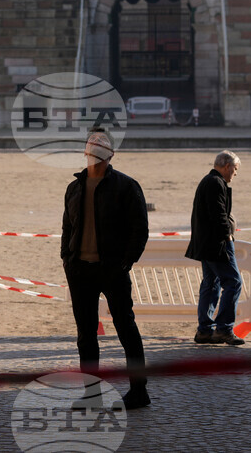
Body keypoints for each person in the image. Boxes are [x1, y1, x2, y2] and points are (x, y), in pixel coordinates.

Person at [61, 131, 151, 410]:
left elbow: (140, 229)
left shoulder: (126, 186)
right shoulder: (74, 188)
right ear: (86, 153)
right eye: (92, 148)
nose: (95, 153)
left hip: (113, 271)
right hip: (80, 271)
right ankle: (91, 394)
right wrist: (68, 260)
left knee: (126, 329)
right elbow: (68, 228)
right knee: (85, 336)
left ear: (110, 155)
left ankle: (139, 391)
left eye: (101, 149)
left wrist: (125, 263)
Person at [185, 151, 245, 346]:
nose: (234, 174)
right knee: (233, 282)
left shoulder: (208, 181)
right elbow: (219, 214)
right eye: (235, 170)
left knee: (211, 284)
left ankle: (204, 330)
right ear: (227, 166)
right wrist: (227, 235)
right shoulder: (215, 183)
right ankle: (224, 328)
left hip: (206, 243)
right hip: (217, 244)